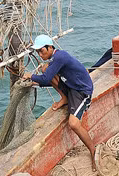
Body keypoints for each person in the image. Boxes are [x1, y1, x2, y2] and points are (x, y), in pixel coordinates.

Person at [23, 35, 98, 169]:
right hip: (70, 86)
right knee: (45, 69)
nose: (40, 54)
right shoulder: (53, 59)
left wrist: (31, 76)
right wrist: (35, 82)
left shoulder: (59, 57)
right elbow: (47, 78)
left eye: (42, 51)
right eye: (38, 52)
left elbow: (46, 80)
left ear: (50, 47)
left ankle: (93, 150)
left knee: (74, 124)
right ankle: (65, 98)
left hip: (81, 91)